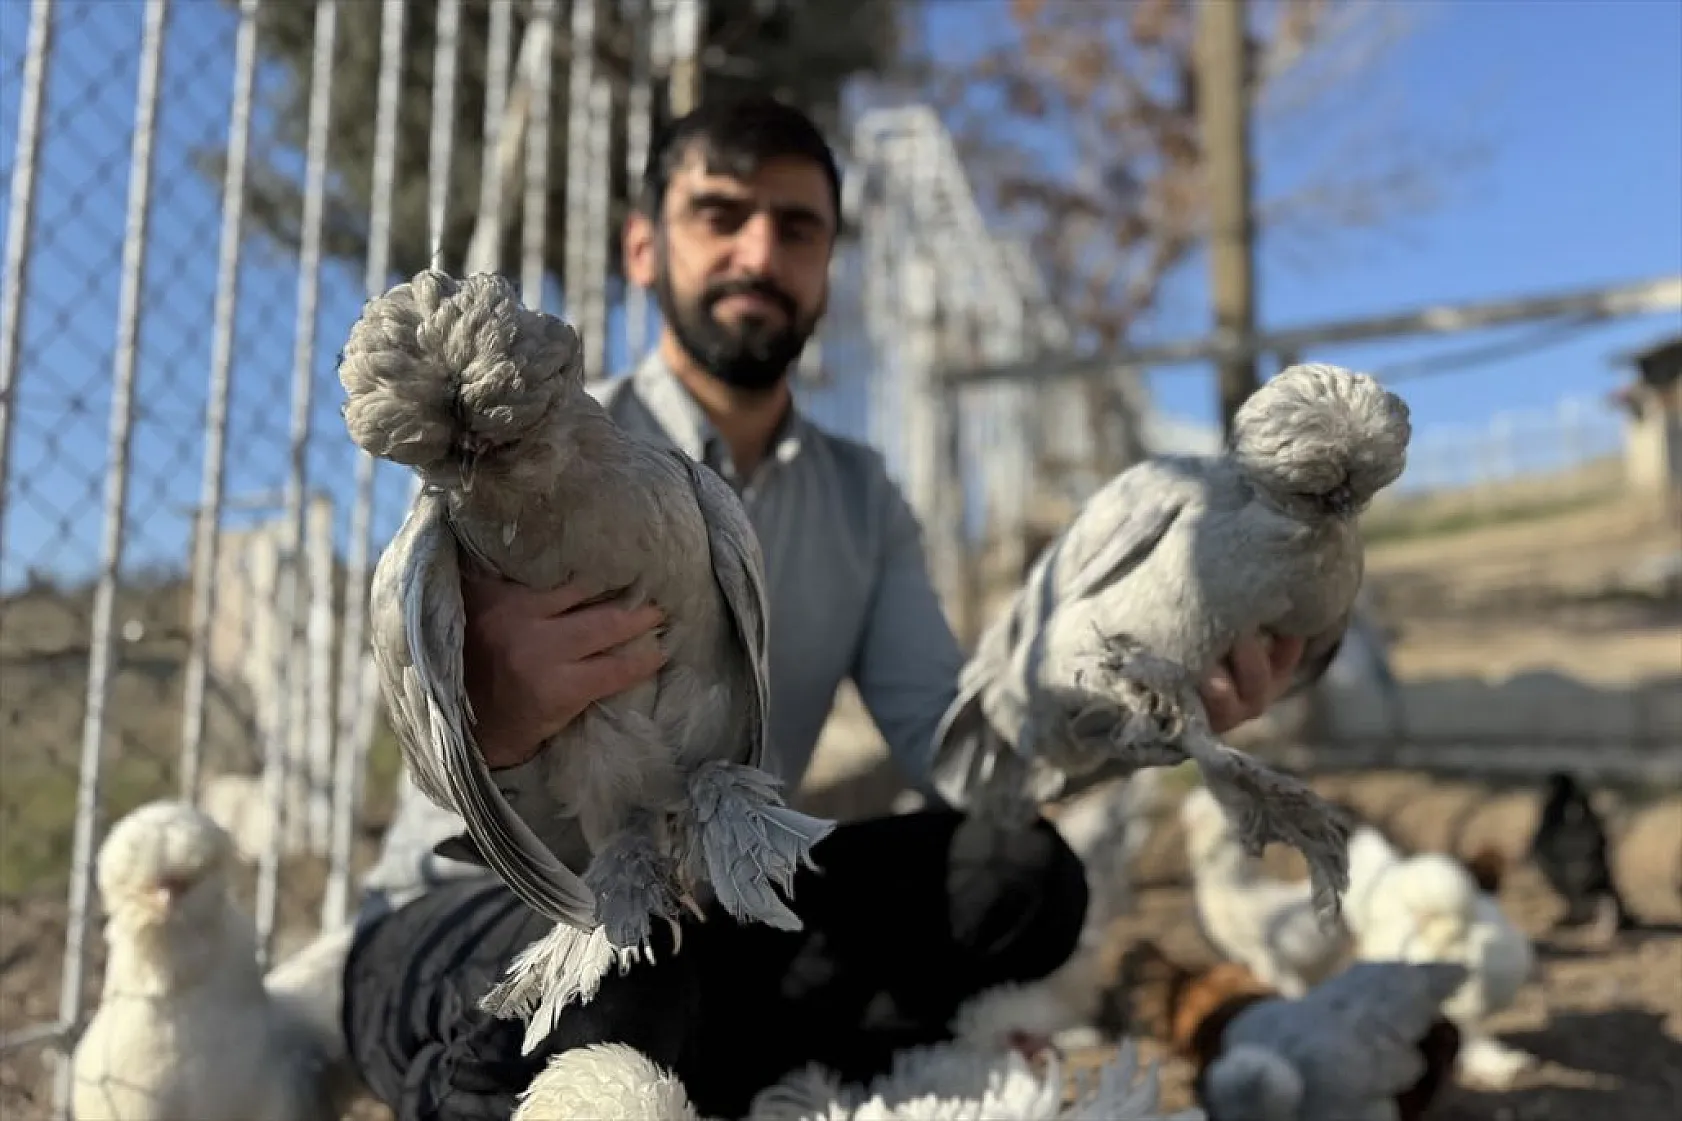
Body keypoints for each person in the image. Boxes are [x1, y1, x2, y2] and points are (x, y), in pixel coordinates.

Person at [339, 93, 1319, 1121]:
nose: (758, 250)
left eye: (795, 226)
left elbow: (957, 754)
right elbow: (438, 810)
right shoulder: (505, 450)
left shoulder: (858, 496)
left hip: (707, 902)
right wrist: (486, 725)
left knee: (1018, 874)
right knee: (612, 977)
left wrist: (1143, 702)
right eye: (720, 215)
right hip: (463, 915)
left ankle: (728, 1062)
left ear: (824, 265)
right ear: (642, 247)